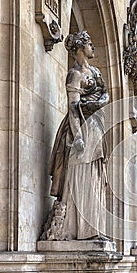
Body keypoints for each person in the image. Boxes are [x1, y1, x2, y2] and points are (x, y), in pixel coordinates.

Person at [41, 31, 109, 240]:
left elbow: (106, 94)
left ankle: (94, 227)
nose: (92, 47)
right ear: (80, 49)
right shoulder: (74, 74)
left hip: (96, 127)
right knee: (81, 178)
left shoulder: (96, 72)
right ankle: (78, 228)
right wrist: (78, 135)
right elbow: (73, 107)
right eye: (89, 44)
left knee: (95, 177)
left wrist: (96, 103)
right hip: (81, 129)